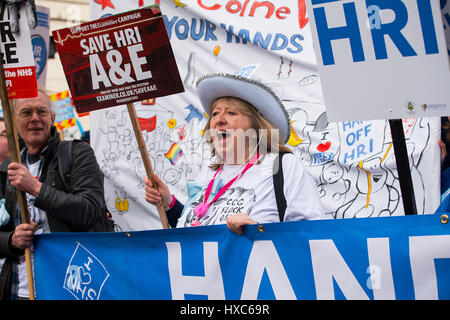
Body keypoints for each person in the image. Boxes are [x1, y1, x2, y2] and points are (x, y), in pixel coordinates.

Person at [145, 73, 324, 234]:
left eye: (231, 113)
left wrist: (258, 231)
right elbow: (194, 233)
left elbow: (313, 233)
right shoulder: (208, 173)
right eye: (215, 114)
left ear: (255, 126)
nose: (219, 120)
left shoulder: (281, 165)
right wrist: (168, 203)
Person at [0, 89, 108, 300]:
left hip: (68, 287)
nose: (34, 119)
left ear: (52, 118)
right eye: (26, 112)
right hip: (19, 288)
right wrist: (12, 240)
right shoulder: (8, 168)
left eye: (41, 111)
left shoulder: (77, 154)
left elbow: (91, 211)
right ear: (14, 121)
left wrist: (35, 188)